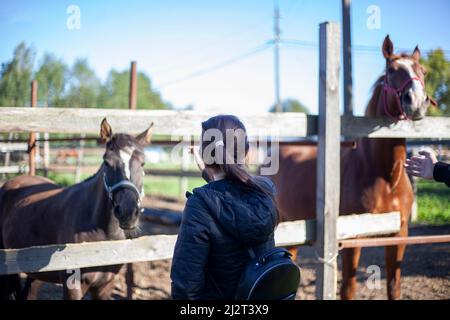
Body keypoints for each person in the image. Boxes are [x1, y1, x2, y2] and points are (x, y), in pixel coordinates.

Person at [170, 115, 278, 299]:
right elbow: (231, 196)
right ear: (245, 151)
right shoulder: (265, 190)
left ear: (206, 154)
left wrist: (210, 173)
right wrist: (209, 172)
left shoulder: (200, 205)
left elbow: (186, 286)